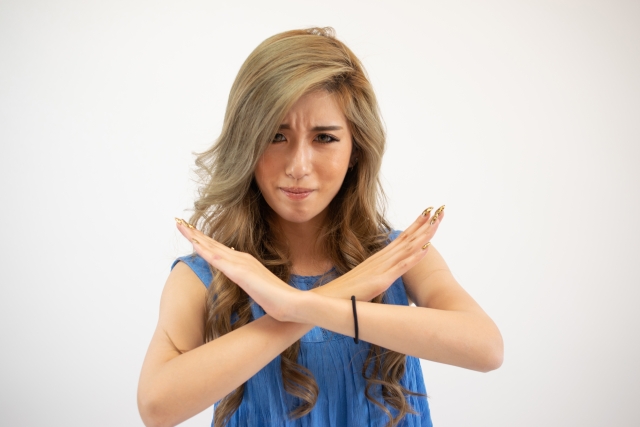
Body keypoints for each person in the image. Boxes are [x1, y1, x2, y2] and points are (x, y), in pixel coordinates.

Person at [137, 27, 503, 427]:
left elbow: (487, 349)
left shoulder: (399, 258)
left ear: (355, 150)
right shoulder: (207, 275)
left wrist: (297, 305)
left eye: (324, 138)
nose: (298, 166)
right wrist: (342, 292)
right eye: (276, 136)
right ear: (247, 144)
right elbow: (157, 407)